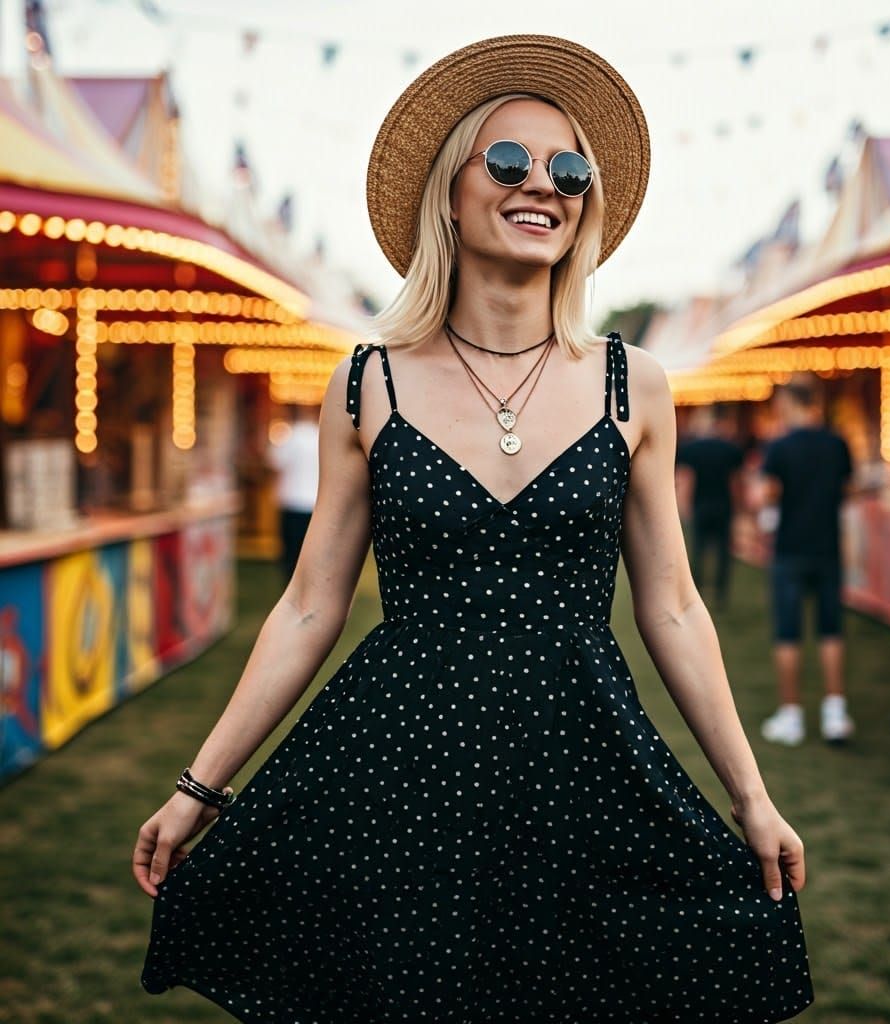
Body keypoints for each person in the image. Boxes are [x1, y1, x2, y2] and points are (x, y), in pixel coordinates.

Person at [134, 35, 813, 1022]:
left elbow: (670, 606)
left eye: (568, 168)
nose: (543, 184)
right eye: (508, 160)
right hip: (395, 774)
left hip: (579, 767)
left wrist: (750, 796)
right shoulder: (365, 383)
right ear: (448, 192)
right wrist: (199, 786)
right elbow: (308, 604)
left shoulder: (636, 384)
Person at [759, 374, 856, 747]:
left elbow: (768, 495)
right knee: (831, 630)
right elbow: (847, 489)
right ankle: (835, 713)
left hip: (790, 549)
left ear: (790, 403)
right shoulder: (837, 444)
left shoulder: (780, 447)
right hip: (827, 548)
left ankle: (792, 715)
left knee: (788, 633)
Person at [676, 404, 744, 608]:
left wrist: (685, 505)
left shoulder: (692, 448)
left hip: (701, 505)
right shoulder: (730, 448)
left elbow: (687, 479)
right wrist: (738, 504)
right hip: (723, 505)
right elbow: (735, 481)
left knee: (698, 549)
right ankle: (721, 594)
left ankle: (695, 592)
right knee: (723, 552)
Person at [267, 402, 320, 582]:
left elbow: (274, 465)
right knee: (311, 552)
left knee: (291, 553)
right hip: (314, 503)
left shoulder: (288, 438)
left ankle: (291, 587)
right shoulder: (319, 437)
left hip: (292, 501)